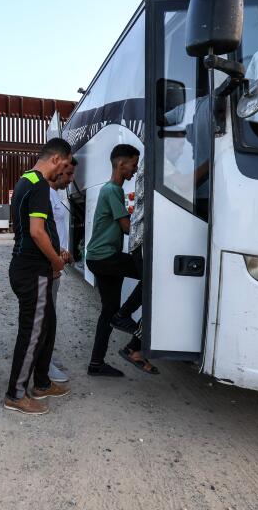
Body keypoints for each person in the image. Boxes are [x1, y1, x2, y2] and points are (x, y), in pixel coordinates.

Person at [3, 138, 73, 416]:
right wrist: (56, 261)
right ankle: (15, 394)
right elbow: (36, 232)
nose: (63, 174)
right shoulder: (39, 184)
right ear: (56, 159)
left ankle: (42, 382)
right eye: (65, 166)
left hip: (31, 268)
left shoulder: (27, 180)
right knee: (32, 333)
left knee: (46, 326)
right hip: (32, 271)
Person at [84, 144, 155, 377]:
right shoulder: (112, 190)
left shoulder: (112, 190)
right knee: (150, 275)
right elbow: (127, 228)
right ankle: (124, 316)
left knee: (108, 313)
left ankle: (96, 363)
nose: (135, 170)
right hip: (105, 257)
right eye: (134, 165)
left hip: (99, 257)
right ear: (121, 164)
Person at [46, 158, 77, 384]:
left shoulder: (54, 194)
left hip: (56, 262)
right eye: (67, 174)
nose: (70, 179)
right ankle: (42, 366)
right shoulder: (44, 194)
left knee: (51, 313)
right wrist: (56, 256)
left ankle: (45, 357)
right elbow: (41, 232)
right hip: (49, 264)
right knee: (45, 316)